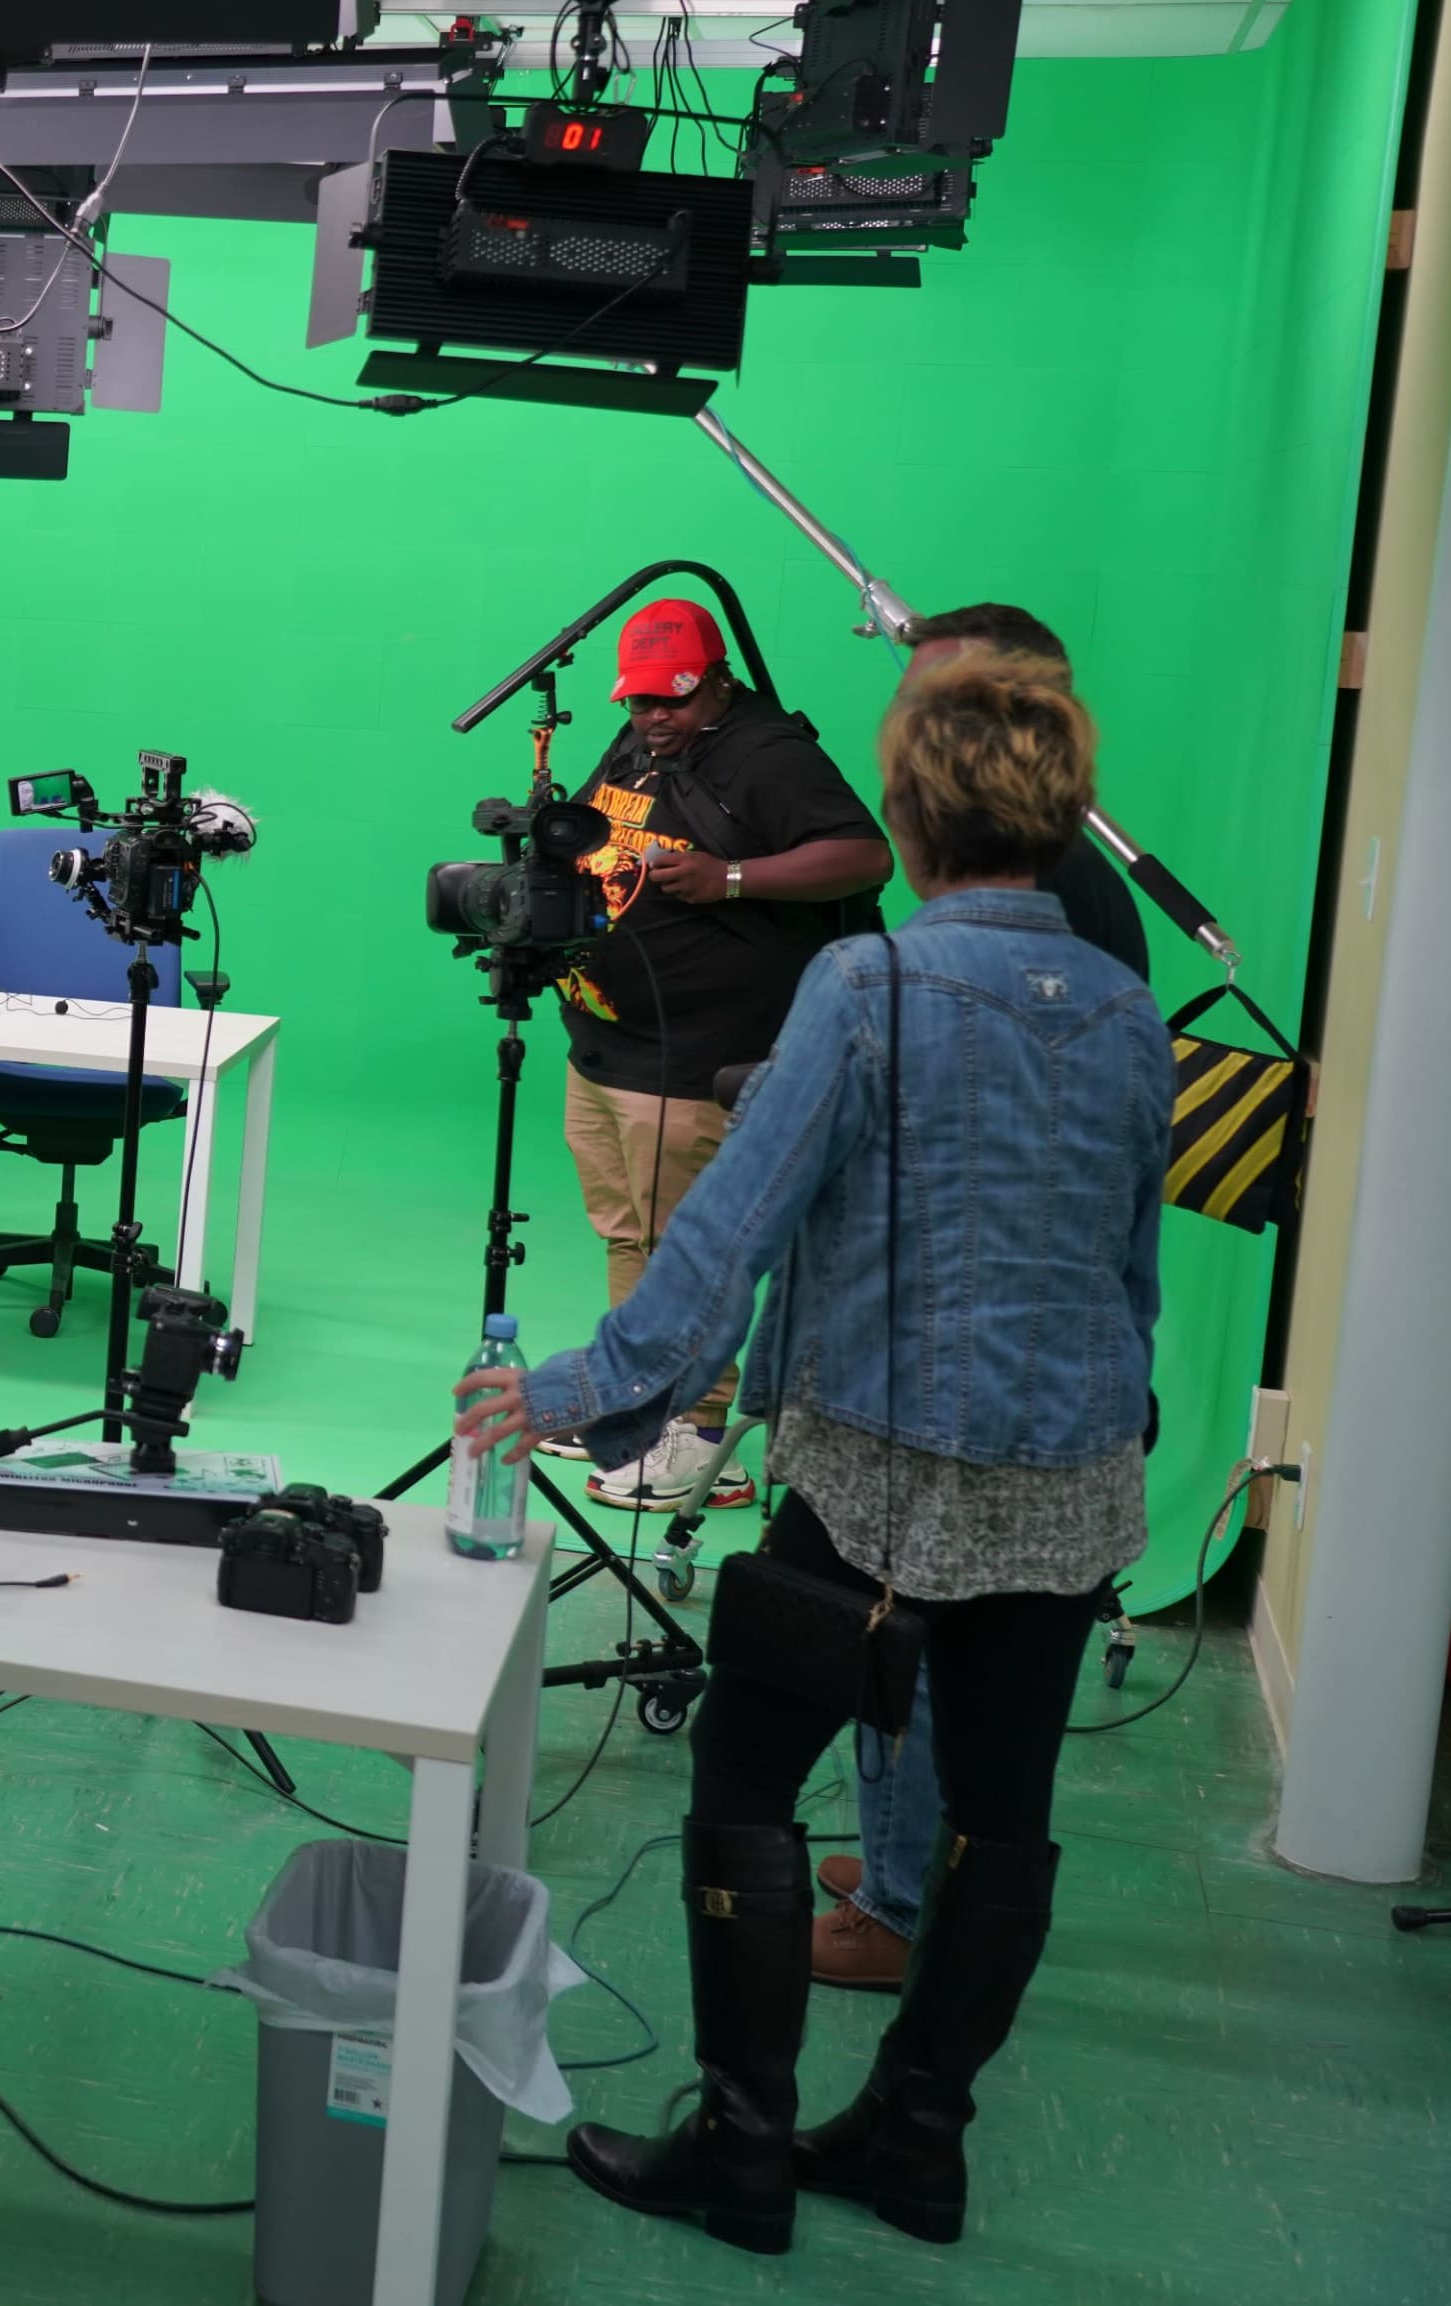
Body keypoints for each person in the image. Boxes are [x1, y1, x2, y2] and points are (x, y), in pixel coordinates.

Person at [454, 652, 1170, 2256]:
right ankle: (921, 2146)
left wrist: (573, 1390)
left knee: (744, 1771)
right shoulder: (1130, 1016)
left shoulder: (870, 990)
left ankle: (749, 2144)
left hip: (881, 1487)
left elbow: (720, 1248)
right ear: (1056, 820)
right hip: (1069, 1491)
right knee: (1006, 1816)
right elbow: (1132, 1275)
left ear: (910, 816)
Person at [813, 603, 1153, 1998]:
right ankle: (905, 1866)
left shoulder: (1053, 916)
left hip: (969, 1378)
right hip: (1032, 1367)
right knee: (924, 1659)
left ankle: (899, 1905)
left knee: (916, 1646)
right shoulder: (1062, 895)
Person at [554, 595, 892, 1512]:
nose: (654, 716)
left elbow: (865, 856)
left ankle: (700, 1434)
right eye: (639, 701)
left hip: (694, 1053)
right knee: (630, 1233)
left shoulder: (768, 757)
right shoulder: (641, 744)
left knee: (683, 1244)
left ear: (718, 683)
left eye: (674, 698)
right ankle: (632, 1396)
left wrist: (730, 878)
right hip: (607, 1042)